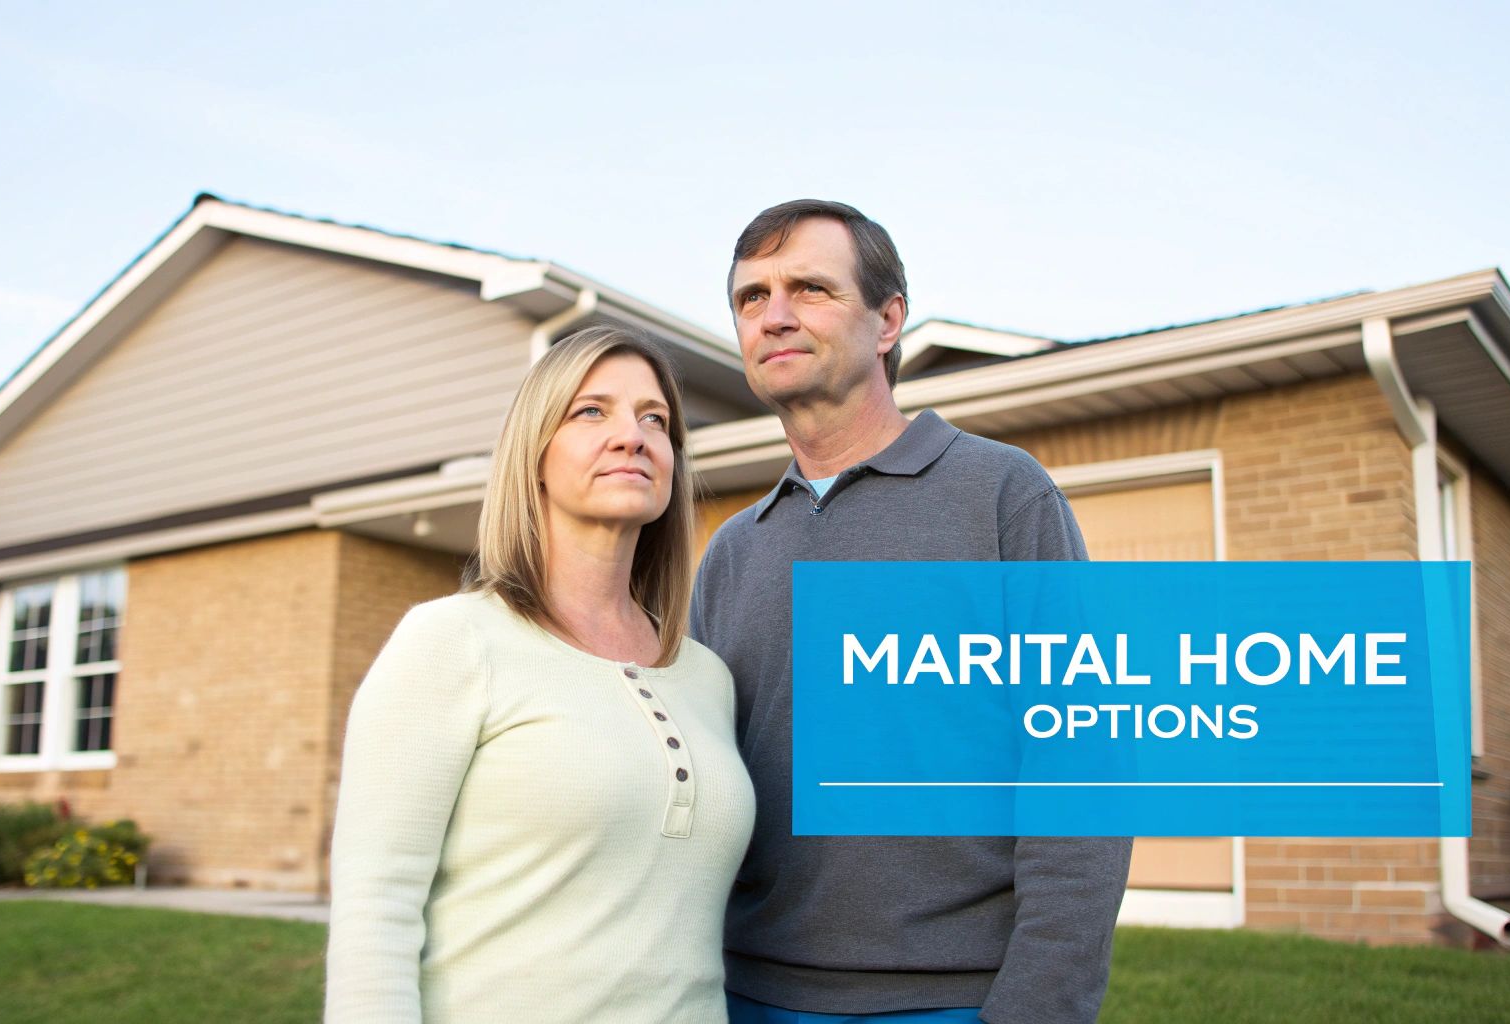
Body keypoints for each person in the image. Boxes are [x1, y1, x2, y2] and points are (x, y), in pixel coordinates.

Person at [691, 200, 1133, 1024]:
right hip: (743, 995)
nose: (775, 316)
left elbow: (1083, 776)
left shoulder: (1001, 496)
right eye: (752, 298)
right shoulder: (731, 551)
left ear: (888, 319)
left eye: (810, 288)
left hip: (950, 998)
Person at [326, 325, 756, 1023]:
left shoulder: (707, 676)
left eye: (656, 419)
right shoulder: (452, 641)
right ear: (535, 456)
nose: (633, 435)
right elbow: (376, 911)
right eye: (592, 411)